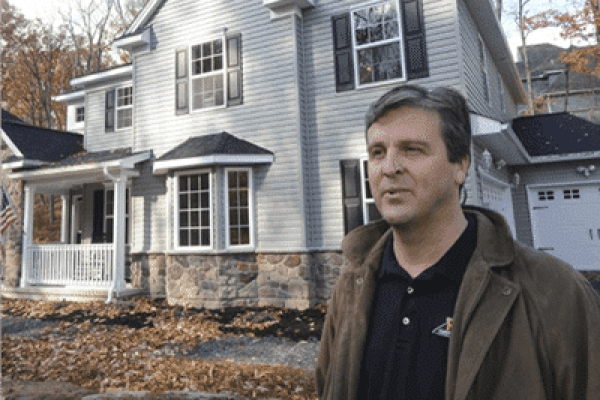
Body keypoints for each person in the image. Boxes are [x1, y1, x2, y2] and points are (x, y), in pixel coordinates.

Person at [315, 84, 600, 400]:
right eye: (377, 152)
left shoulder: (552, 290)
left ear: (460, 165)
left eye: (412, 149)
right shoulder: (353, 284)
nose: (389, 167)